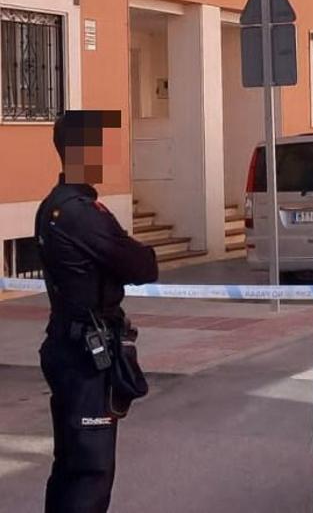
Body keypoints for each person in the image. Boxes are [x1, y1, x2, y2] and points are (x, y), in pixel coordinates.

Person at [35, 109, 159, 512]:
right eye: (97, 147)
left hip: (67, 343)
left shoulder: (52, 205)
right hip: (85, 354)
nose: (104, 157)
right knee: (90, 470)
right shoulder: (82, 214)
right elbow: (142, 266)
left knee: (70, 464)